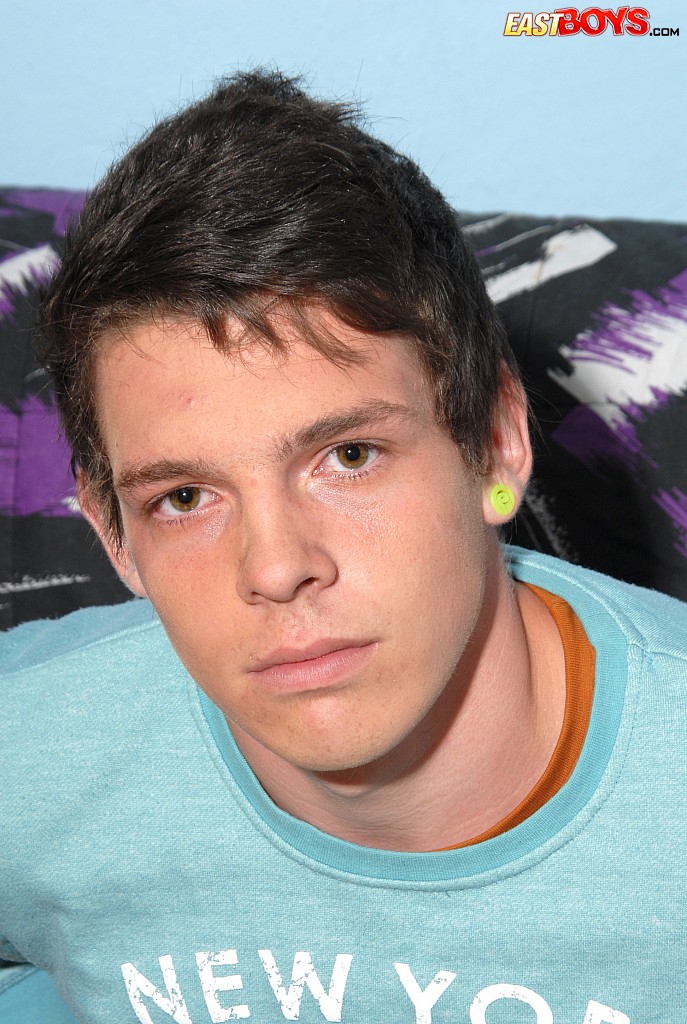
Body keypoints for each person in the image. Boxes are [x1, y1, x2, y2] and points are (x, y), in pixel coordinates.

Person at [1, 70, 685, 1024]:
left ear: (496, 440)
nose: (276, 568)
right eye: (184, 498)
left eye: (349, 456)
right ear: (113, 534)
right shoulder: (29, 745)